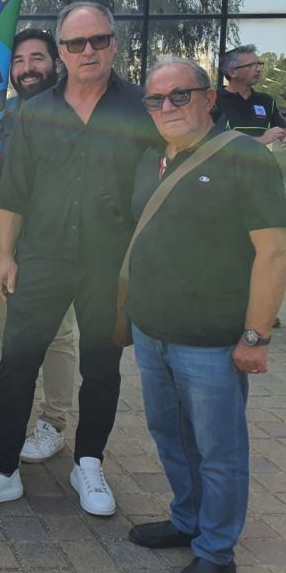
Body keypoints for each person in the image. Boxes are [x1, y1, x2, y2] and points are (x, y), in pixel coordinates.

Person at [0, 1, 156, 516]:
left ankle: (89, 462)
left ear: (114, 43)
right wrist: (5, 256)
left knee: (102, 366)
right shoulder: (35, 112)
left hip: (110, 262)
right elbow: (15, 190)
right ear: (62, 51)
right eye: (75, 43)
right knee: (17, 362)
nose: (88, 51)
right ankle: (3, 469)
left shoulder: (142, 107)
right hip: (42, 256)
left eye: (98, 40)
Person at [126, 58, 286, 573]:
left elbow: (274, 253)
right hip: (151, 333)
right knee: (170, 436)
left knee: (219, 452)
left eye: (181, 95)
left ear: (209, 98)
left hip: (212, 343)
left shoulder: (245, 157)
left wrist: (256, 336)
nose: (168, 107)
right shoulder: (151, 158)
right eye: (156, 99)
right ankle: (188, 519)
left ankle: (216, 553)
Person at [0, 29, 77, 464]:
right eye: (18, 61)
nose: (27, 68)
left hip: (53, 243)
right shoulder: (2, 116)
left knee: (58, 335)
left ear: (56, 63)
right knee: (11, 334)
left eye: (37, 58)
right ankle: (12, 419)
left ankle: (53, 422)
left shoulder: (73, 113)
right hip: (0, 240)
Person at [212, 44, 286, 144]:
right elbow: (215, 141)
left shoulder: (266, 101)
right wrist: (261, 140)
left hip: (260, 155)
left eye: (259, 64)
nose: (258, 69)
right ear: (232, 72)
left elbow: (281, 129)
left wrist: (283, 136)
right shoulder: (213, 100)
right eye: (251, 65)